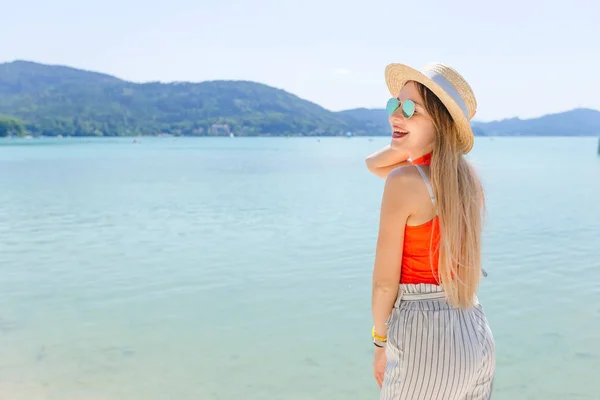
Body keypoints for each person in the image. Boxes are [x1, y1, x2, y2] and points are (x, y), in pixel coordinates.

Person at [366, 62, 496, 399]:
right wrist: (410, 138)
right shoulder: (467, 183)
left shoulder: (405, 182)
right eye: (395, 104)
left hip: (424, 335)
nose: (396, 115)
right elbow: (372, 164)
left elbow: (383, 283)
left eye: (411, 109)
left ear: (439, 124)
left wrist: (380, 342)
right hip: (474, 330)